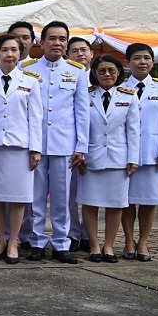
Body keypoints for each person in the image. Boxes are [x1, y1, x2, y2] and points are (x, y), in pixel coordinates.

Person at [15, 21, 88, 263]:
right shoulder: (26, 69)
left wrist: (81, 146)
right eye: (52, 38)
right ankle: (35, 241)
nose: (57, 43)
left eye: (62, 39)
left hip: (64, 145)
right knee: (34, 197)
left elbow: (81, 112)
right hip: (34, 144)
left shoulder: (77, 72)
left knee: (63, 197)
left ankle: (61, 242)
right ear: (41, 42)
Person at [0, 34, 46, 264]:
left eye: (14, 50)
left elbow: (36, 118)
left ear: (20, 53)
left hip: (20, 147)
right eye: (4, 50)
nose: (9, 54)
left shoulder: (31, 82)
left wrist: (36, 149)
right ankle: (0, 239)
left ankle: (14, 240)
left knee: (18, 198)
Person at [73, 55, 139, 263]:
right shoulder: (86, 95)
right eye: (101, 71)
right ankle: (93, 245)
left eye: (111, 70)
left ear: (119, 72)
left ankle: (109, 246)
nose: (107, 74)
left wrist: (133, 159)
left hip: (118, 159)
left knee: (115, 205)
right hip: (90, 159)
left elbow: (133, 131)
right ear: (94, 74)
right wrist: (80, 152)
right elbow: (79, 126)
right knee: (90, 204)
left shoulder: (129, 96)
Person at [120, 44, 158, 261]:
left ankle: (143, 242)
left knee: (148, 200)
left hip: (155, 155)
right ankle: (127, 240)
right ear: (127, 63)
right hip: (127, 155)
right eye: (136, 58)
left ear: (153, 62)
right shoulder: (121, 87)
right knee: (125, 200)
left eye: (146, 58)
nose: (142, 62)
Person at [66, 36, 94, 247]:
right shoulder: (67, 75)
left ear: (91, 53)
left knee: (93, 194)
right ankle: (73, 233)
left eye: (84, 50)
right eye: (74, 51)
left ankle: (90, 234)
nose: (80, 54)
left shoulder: (104, 76)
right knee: (70, 193)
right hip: (72, 145)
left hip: (97, 146)